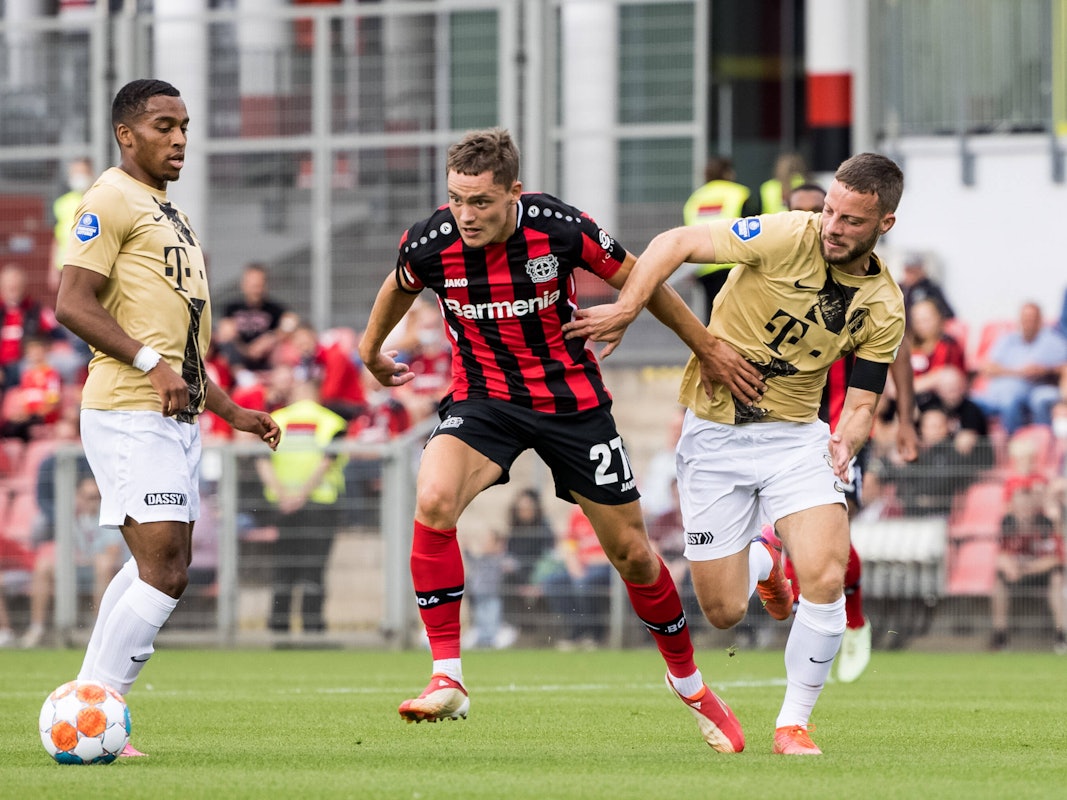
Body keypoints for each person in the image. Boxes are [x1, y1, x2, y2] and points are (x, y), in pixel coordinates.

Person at [359, 127, 747, 753]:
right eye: (456, 199)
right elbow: (397, 283)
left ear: (514, 192)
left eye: (481, 201)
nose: (466, 214)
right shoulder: (431, 241)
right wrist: (369, 351)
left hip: (573, 405)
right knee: (432, 497)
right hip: (485, 401)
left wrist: (703, 346)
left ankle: (691, 684)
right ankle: (448, 676)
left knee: (634, 556)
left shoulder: (559, 227)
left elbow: (640, 275)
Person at [564, 152, 908, 755]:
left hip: (796, 437)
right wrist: (627, 306)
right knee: (723, 612)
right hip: (714, 436)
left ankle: (793, 723)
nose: (833, 226)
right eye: (830, 211)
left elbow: (861, 400)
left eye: (852, 220)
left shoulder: (883, 305)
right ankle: (764, 566)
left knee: (826, 576)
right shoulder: (784, 233)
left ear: (885, 224)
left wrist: (846, 440)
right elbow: (673, 242)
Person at [53, 78, 280, 757]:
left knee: (160, 563)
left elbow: (177, 334)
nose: (179, 137)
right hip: (127, 407)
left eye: (184, 125)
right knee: (166, 569)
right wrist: (150, 362)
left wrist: (230, 408)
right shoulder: (109, 199)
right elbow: (72, 301)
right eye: (162, 125)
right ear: (127, 134)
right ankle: (97, 712)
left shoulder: (168, 211)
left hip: (173, 416)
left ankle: (86, 705)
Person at [776, 182, 920, 684]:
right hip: (772, 422)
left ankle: (850, 620)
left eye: (828, 213)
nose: (823, 225)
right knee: (786, 539)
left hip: (837, 424)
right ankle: (815, 612)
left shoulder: (871, 291)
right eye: (812, 215)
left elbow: (892, 352)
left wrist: (904, 421)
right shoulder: (776, 267)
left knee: (826, 533)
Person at [255, 374, 348, 634]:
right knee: (314, 570)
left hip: (282, 507)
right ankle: (313, 628)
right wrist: (302, 496)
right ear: (318, 394)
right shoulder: (331, 421)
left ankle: (278, 627)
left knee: (283, 570)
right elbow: (327, 461)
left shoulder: (277, 419)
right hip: (320, 506)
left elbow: (260, 460)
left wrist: (283, 495)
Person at [20, 475, 128, 648]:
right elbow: (63, 548)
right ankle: (37, 628)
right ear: (78, 496)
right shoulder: (69, 516)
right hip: (78, 566)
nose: (94, 502)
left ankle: (98, 629)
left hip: (107, 568)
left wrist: (83, 558)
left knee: (103, 564)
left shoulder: (108, 515)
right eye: (89, 497)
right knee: (43, 565)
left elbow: (112, 552)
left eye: (97, 497)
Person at [990, 477, 1067, 654]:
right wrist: (1011, 567)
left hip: (1039, 573)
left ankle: (1061, 634)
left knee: (1057, 577)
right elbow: (1000, 555)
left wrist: (1027, 569)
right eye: (1020, 504)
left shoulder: (1045, 523)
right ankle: (1000, 635)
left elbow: (1056, 558)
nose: (1024, 508)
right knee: (998, 580)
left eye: (1027, 503)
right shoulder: (1008, 523)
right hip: (1016, 573)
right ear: (1013, 506)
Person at [682, 156, 761, 320]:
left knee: (712, 316)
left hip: (704, 264)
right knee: (738, 318)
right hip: (733, 262)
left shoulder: (695, 199)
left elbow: (688, 233)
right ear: (728, 173)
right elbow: (753, 229)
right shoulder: (739, 193)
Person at [972, 302, 1067, 435]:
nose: (1028, 323)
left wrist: (1045, 370)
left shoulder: (1053, 342)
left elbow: (1063, 368)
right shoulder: (1007, 340)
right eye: (1024, 318)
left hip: (1027, 393)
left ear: (1040, 320)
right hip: (994, 395)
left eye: (1032, 318)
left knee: (1010, 400)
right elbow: (986, 367)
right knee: (969, 403)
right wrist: (1019, 372)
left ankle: (1018, 444)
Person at [215, 262, 296, 374]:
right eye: (252, 285)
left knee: (285, 346)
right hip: (238, 356)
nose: (256, 290)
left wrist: (270, 339)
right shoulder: (232, 308)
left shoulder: (274, 309)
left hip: (266, 357)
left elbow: (291, 322)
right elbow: (224, 332)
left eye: (259, 285)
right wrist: (245, 349)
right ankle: (241, 376)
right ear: (243, 285)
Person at [50, 157, 95, 292]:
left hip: (89, 264)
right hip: (65, 264)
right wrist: (52, 269)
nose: (78, 177)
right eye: (75, 173)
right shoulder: (62, 203)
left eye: (82, 172)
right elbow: (57, 237)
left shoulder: (97, 199)